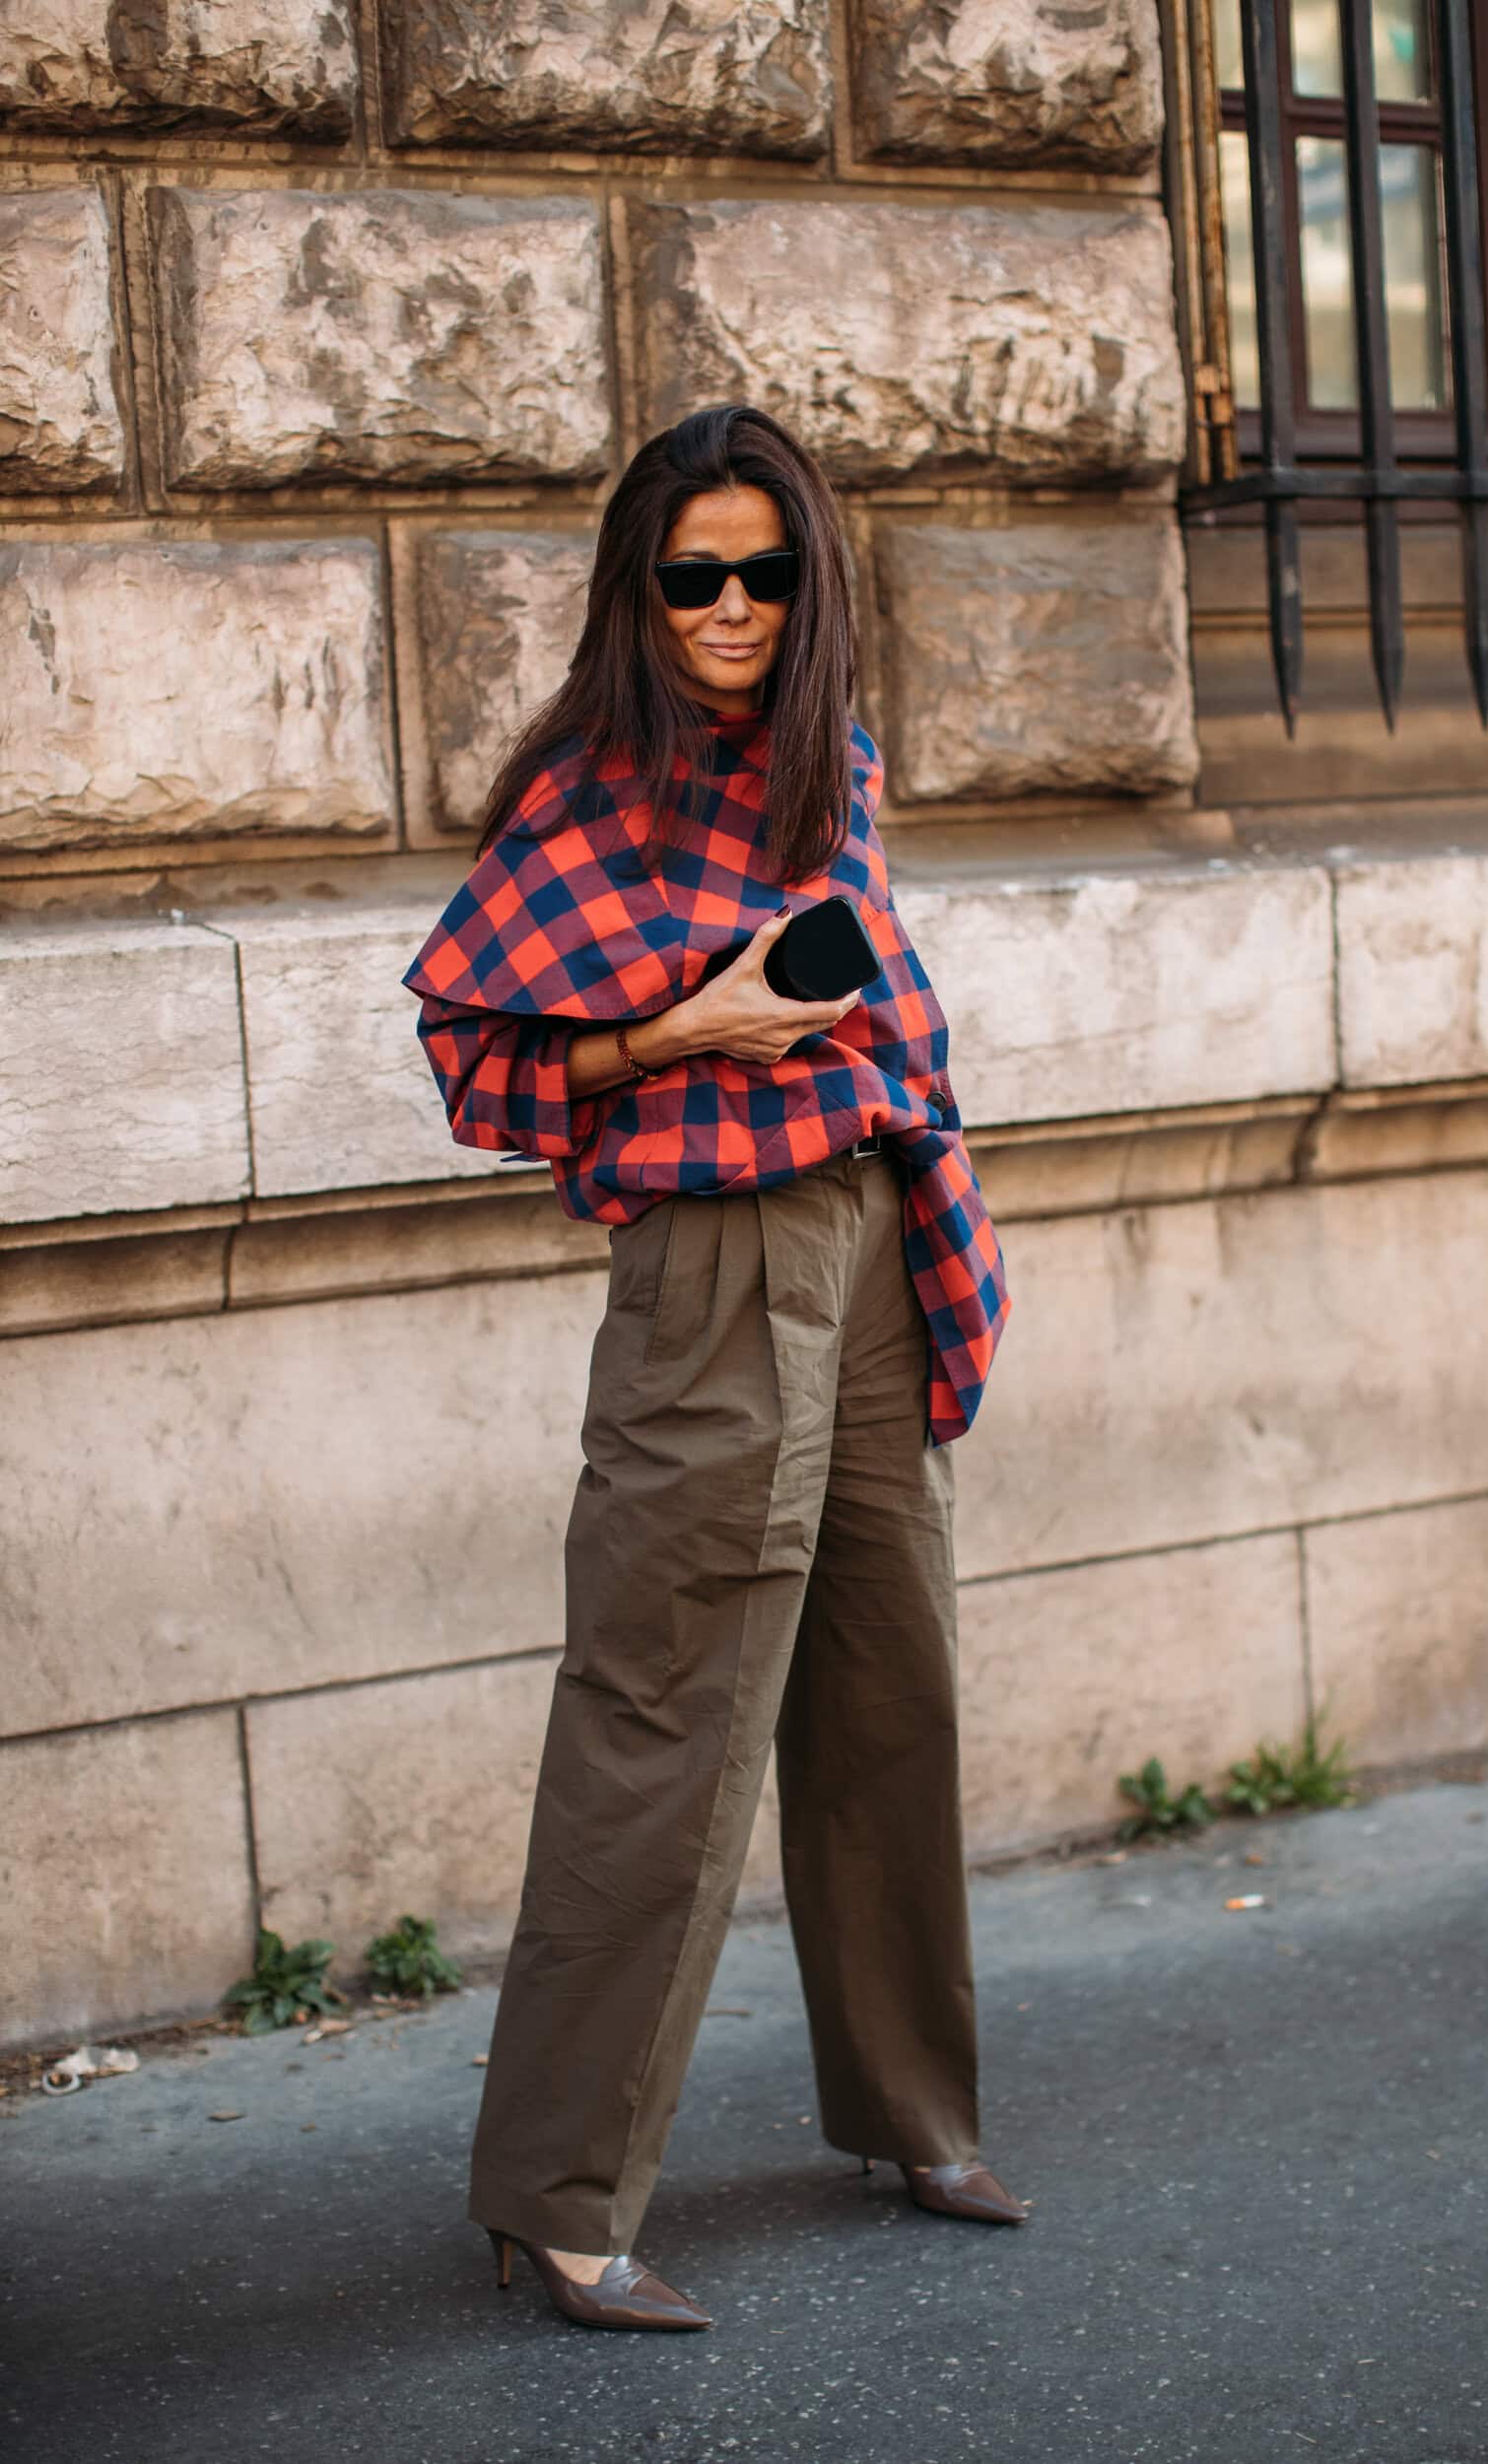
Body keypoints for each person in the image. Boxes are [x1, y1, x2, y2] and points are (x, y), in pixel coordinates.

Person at [403, 401, 1023, 2336]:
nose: (731, 605)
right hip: (713, 1261)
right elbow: (481, 1070)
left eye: (764, 570)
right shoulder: (590, 794)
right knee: (660, 1715)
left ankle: (912, 2106)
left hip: (868, 1236)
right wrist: (690, 1026)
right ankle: (560, 2195)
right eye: (693, 574)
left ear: (808, 579)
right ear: (639, 589)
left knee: (889, 1681)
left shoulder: (835, 766)